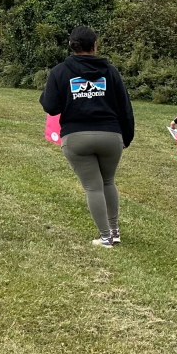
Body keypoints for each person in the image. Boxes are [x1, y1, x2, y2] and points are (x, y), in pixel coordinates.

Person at [39, 25, 135, 248]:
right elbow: (125, 108)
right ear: (95, 46)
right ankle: (114, 231)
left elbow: (50, 107)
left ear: (71, 46)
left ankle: (105, 237)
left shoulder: (60, 71)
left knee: (93, 187)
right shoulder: (110, 71)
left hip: (76, 137)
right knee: (108, 182)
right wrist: (126, 137)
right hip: (111, 136)